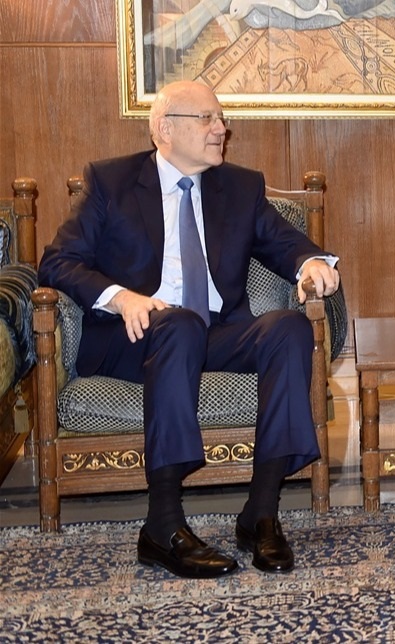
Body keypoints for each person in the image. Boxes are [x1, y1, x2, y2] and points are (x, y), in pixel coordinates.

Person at [39, 80, 341, 577]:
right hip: (134, 339)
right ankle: (162, 524)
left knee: (288, 329)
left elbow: (286, 243)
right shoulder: (111, 182)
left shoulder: (239, 187)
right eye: (207, 118)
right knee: (177, 324)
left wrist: (310, 263)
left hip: (213, 332)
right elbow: (57, 262)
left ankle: (261, 513)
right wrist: (121, 297)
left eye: (221, 118)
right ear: (164, 129)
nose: (221, 129)